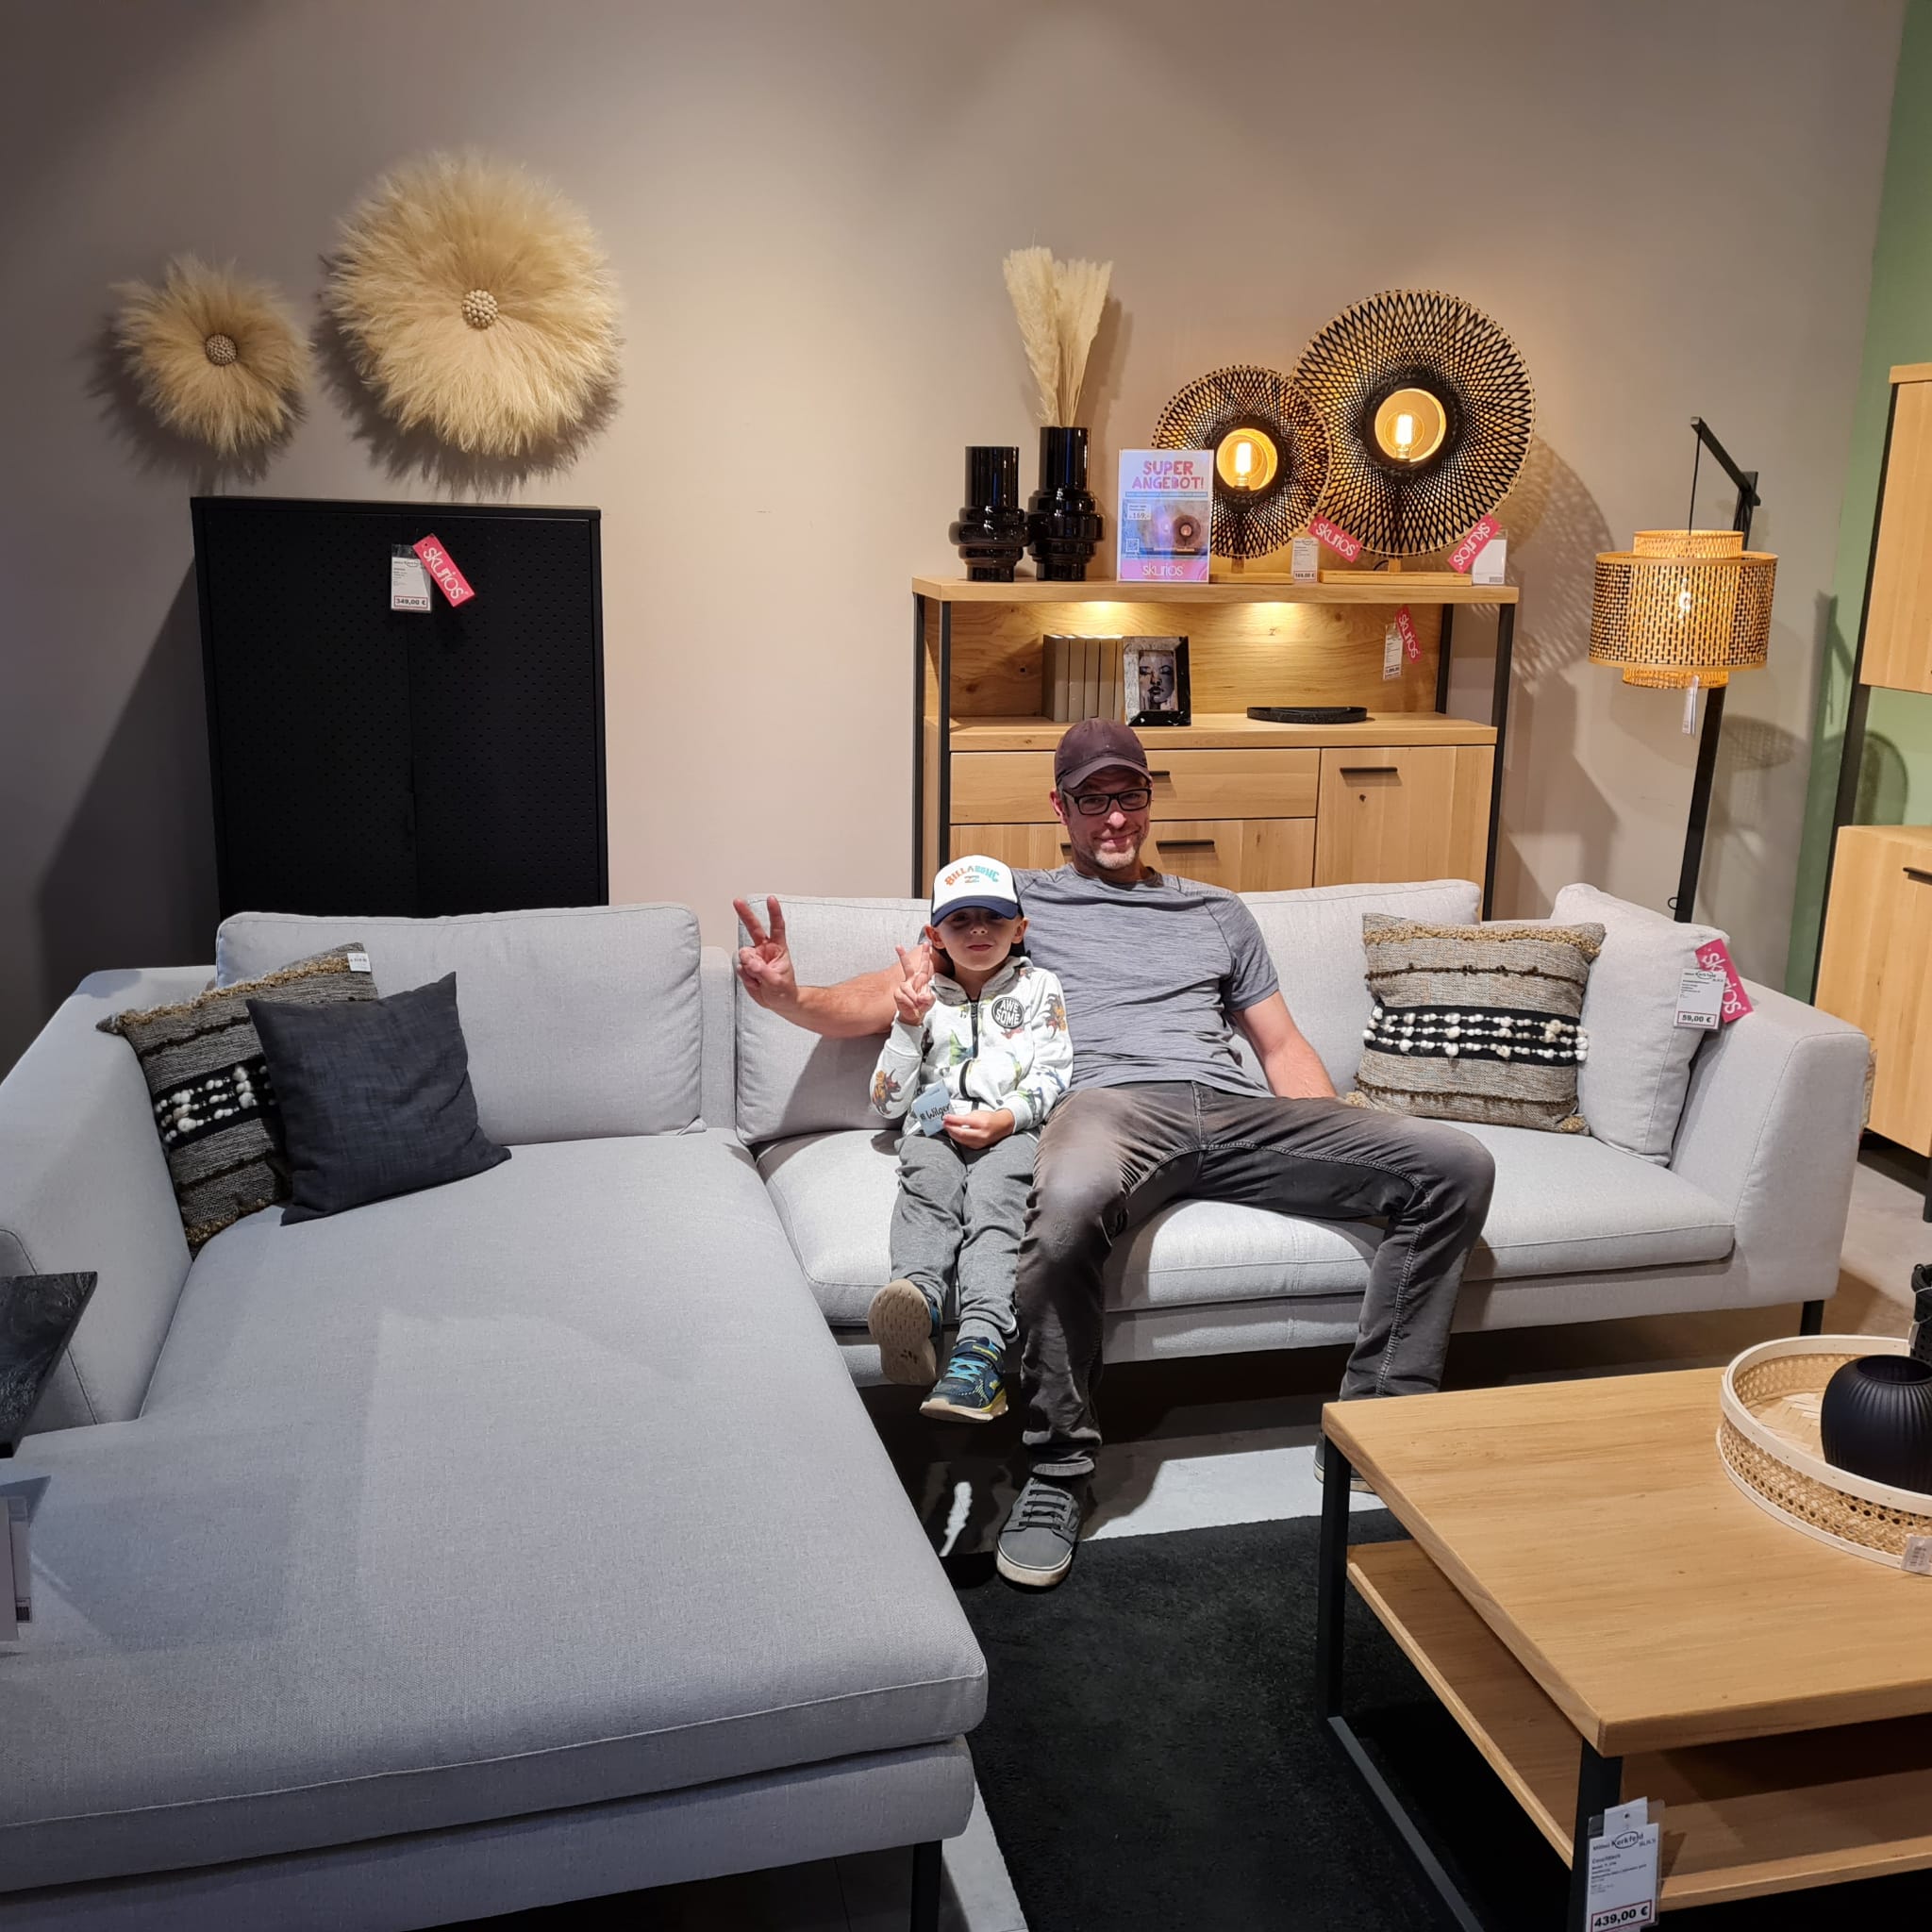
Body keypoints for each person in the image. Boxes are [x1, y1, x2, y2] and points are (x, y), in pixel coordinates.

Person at [735, 718, 1494, 1592]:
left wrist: (1334, 1138)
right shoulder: (1016, 902)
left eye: (1128, 794)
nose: (1114, 818)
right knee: (1060, 1216)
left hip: (1231, 1107)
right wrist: (791, 997)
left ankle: (1381, 1421)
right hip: (1106, 1108)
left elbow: (1280, 1046)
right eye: (1091, 800)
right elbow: (893, 994)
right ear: (1059, 808)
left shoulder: (1217, 912)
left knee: (1455, 1164)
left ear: (1148, 796)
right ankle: (1058, 1468)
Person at [866, 856, 1072, 1424]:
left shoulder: (1039, 987)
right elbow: (885, 1103)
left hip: (1012, 1131)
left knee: (996, 1207)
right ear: (934, 936)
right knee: (927, 1191)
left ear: (1019, 928)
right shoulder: (920, 996)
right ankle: (916, 1305)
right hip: (934, 1129)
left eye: (993, 918)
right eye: (960, 920)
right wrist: (908, 1024)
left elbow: (1054, 1072)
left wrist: (1007, 1118)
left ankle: (980, 1349)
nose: (978, 930)